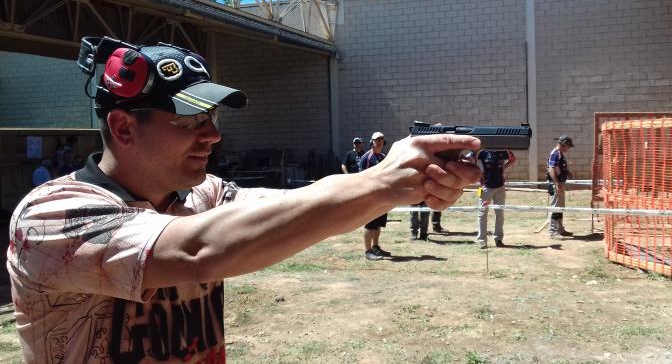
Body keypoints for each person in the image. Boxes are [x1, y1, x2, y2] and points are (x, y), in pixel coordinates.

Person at [7, 36, 481, 362]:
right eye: (190, 120)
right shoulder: (51, 216)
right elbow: (197, 250)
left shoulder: (205, 194)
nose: (212, 135)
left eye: (211, 118)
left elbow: (303, 203)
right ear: (123, 127)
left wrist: (410, 181)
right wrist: (382, 182)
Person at [359, 131, 391, 260]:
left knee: (378, 224)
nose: (379, 142)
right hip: (370, 198)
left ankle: (376, 247)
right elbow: (361, 178)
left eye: (381, 140)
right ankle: (367, 251)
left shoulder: (384, 157)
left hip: (382, 198)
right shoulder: (366, 158)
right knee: (369, 225)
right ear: (371, 142)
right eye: (377, 140)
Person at [475, 149, 516, 248]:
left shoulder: (504, 151)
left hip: (500, 187)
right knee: (482, 213)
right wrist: (478, 173)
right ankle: (482, 240)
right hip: (485, 188)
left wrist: (503, 169)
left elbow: (513, 159)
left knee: (500, 213)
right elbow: (470, 160)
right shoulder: (481, 152)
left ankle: (498, 239)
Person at [547, 135, 574, 239]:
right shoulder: (555, 153)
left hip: (560, 183)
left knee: (560, 207)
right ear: (564, 144)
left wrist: (568, 172)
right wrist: (557, 183)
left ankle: (560, 229)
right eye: (568, 146)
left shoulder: (559, 154)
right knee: (555, 207)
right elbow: (551, 169)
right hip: (556, 184)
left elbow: (560, 167)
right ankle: (553, 231)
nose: (569, 148)